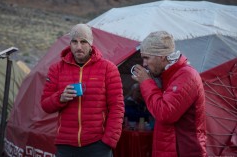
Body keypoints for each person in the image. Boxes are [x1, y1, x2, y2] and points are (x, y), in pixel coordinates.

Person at [40, 24, 124, 157]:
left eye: (83, 42)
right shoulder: (56, 69)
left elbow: (117, 107)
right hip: (66, 145)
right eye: (74, 42)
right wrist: (60, 98)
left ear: (91, 43)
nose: (79, 47)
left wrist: (108, 141)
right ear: (70, 43)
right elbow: (45, 105)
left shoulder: (108, 68)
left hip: (98, 145)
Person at [131, 31, 206, 157]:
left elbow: (165, 113)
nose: (144, 64)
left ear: (161, 56)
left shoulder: (186, 75)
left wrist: (146, 82)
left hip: (184, 151)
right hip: (170, 149)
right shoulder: (167, 75)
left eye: (147, 58)